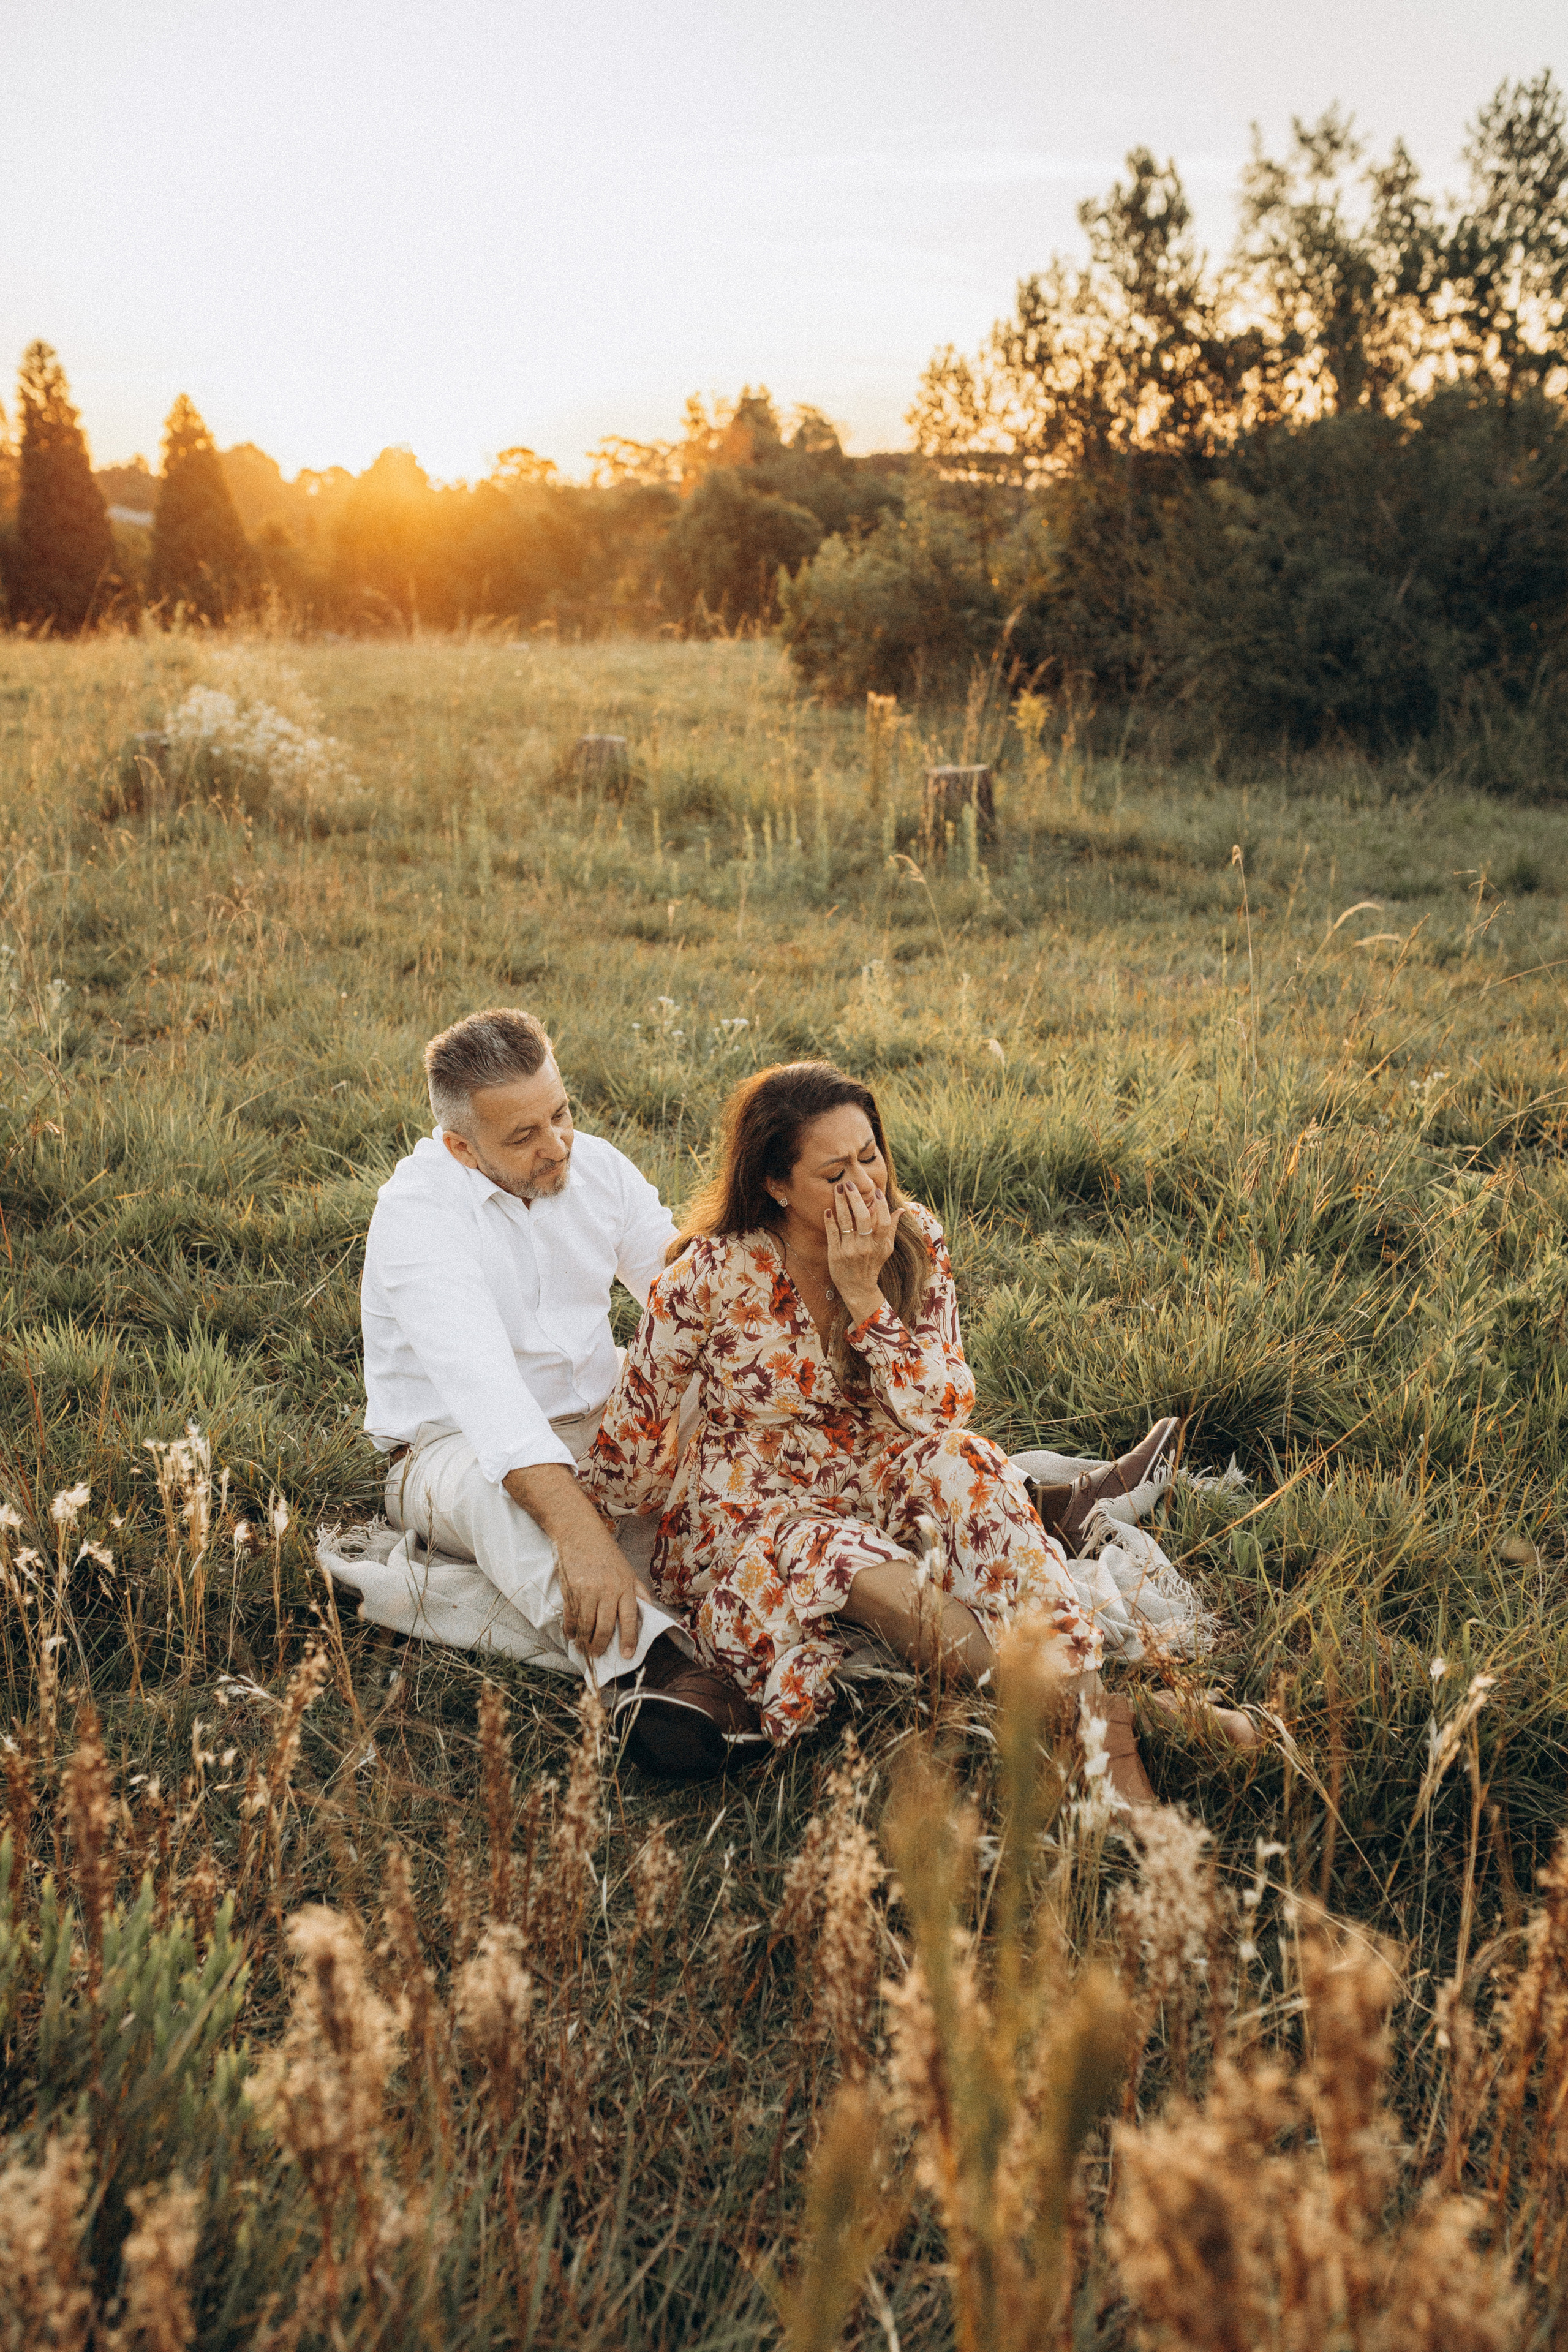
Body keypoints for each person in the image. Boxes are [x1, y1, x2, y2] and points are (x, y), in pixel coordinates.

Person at [584, 1060, 1175, 1803]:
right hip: (758, 1520)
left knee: (971, 1462)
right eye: (835, 1174)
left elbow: (943, 1410)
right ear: (774, 1185)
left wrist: (865, 1296)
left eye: (871, 1157)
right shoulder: (708, 1274)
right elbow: (631, 1450)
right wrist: (581, 1530)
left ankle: (1081, 1716)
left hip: (878, 1481)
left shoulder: (912, 1235)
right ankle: (1110, 1731)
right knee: (828, 1548)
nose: (864, 1187)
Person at [359, 1006, 763, 1775]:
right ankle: (663, 1673)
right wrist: (582, 1537)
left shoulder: (595, 1166)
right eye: (523, 1137)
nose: (557, 1146)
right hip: (452, 1447)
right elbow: (493, 1408)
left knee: (758, 1397)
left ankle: (940, 1510)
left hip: (605, 1407)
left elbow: (681, 1302)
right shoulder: (417, 1218)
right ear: (459, 1147)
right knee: (504, 1507)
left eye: (561, 1113)